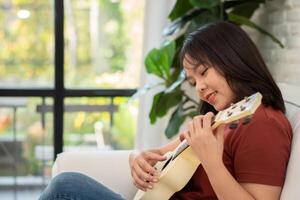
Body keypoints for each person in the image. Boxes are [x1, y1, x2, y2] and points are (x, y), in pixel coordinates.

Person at [39, 21, 292, 200]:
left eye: (203, 72)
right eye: (193, 82)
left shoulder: (263, 124)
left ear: (234, 59)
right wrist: (138, 159)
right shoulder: (224, 117)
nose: (200, 89)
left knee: (66, 186)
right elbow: (162, 153)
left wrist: (211, 160)